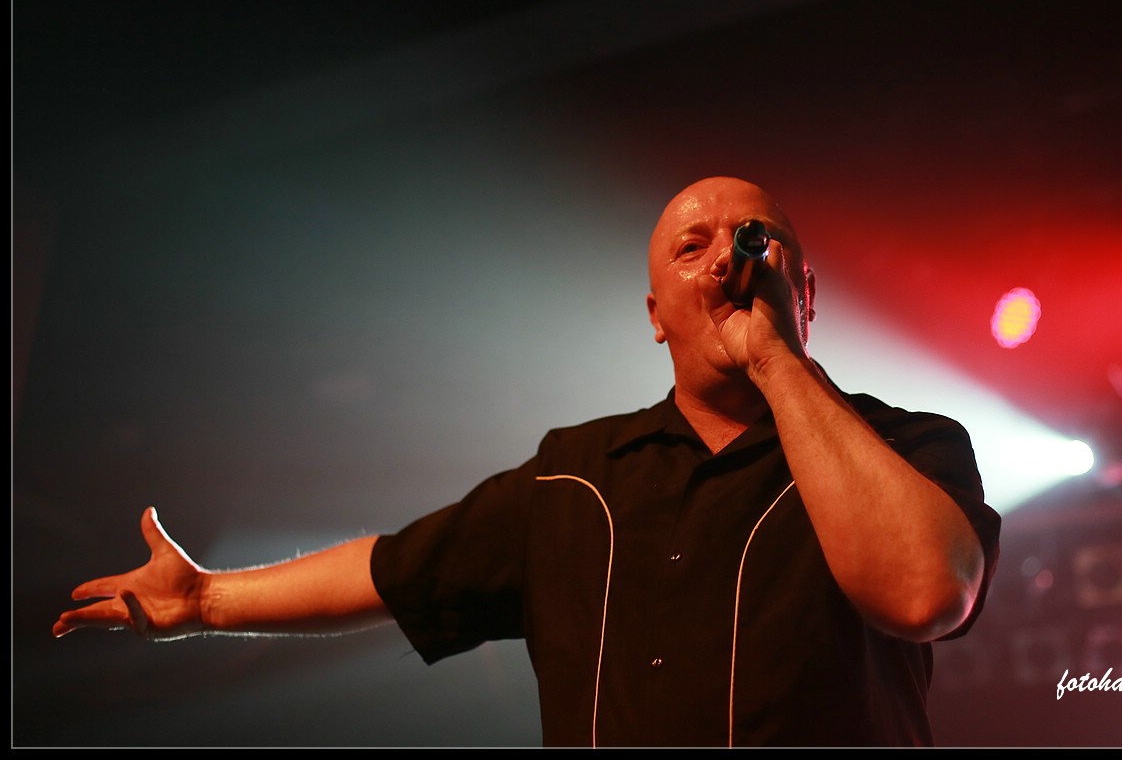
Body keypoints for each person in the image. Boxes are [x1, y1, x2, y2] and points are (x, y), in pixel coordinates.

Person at [52, 175, 1001, 747]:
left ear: (805, 289)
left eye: (756, 243)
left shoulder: (908, 445)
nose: (726, 261)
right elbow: (394, 567)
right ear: (654, 315)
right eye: (692, 246)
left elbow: (925, 593)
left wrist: (776, 360)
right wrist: (208, 600)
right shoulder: (578, 474)